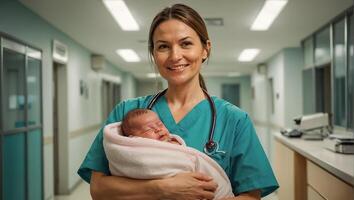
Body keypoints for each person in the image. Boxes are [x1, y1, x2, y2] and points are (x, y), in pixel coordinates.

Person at [78, 3, 279, 200]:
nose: (175, 56)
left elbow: (251, 195)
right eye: (163, 46)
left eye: (186, 43)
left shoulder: (234, 120)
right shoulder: (127, 112)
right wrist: (161, 189)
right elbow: (98, 189)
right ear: (154, 54)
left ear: (205, 49)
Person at [102, 108, 234, 199]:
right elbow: (99, 191)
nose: (158, 129)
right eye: (150, 129)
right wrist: (164, 187)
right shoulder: (139, 152)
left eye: (159, 124)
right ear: (134, 139)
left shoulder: (233, 117)